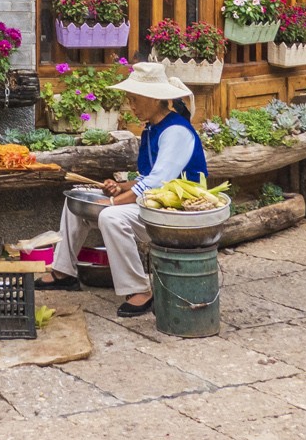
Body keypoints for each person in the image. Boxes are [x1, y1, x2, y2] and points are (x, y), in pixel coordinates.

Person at [33, 61, 206, 318]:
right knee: (76, 204)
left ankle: (139, 290)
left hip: (177, 212)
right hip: (154, 202)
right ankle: (63, 271)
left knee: (111, 217)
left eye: (135, 100)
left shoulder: (176, 131)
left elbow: (158, 183)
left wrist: (113, 204)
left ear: (153, 98)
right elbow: (149, 178)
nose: (131, 106)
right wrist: (121, 186)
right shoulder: (152, 128)